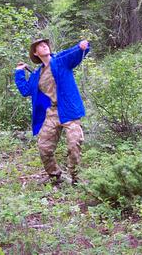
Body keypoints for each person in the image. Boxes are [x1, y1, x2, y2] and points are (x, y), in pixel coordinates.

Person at [14, 38, 90, 185]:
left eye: (45, 44)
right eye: (39, 46)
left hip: (68, 110)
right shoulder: (37, 75)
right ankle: (55, 176)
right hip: (51, 113)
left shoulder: (60, 61)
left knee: (74, 143)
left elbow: (74, 53)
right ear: (36, 53)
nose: (44, 46)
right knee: (44, 148)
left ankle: (76, 178)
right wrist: (19, 73)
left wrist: (82, 46)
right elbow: (25, 90)